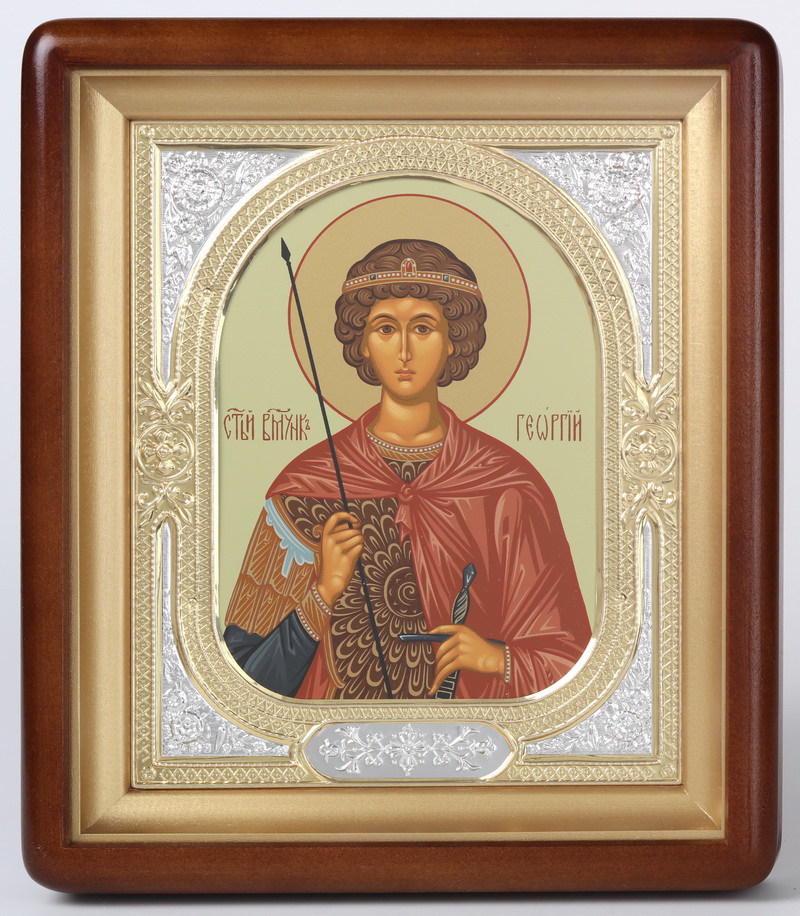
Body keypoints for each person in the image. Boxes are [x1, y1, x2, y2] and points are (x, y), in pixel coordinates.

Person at [223, 239, 591, 700]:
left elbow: (573, 662)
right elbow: (243, 679)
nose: (403, 351)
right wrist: (323, 593)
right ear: (361, 342)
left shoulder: (508, 487)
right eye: (384, 329)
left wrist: (497, 659)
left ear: (453, 339)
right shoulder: (305, 488)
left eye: (422, 328)